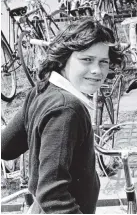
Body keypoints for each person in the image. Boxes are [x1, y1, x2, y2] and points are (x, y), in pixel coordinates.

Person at [1, 18, 123, 213]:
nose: (97, 70)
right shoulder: (67, 110)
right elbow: (53, 196)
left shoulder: (42, 90)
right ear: (63, 58)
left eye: (104, 62)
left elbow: (6, 147)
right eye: (86, 59)